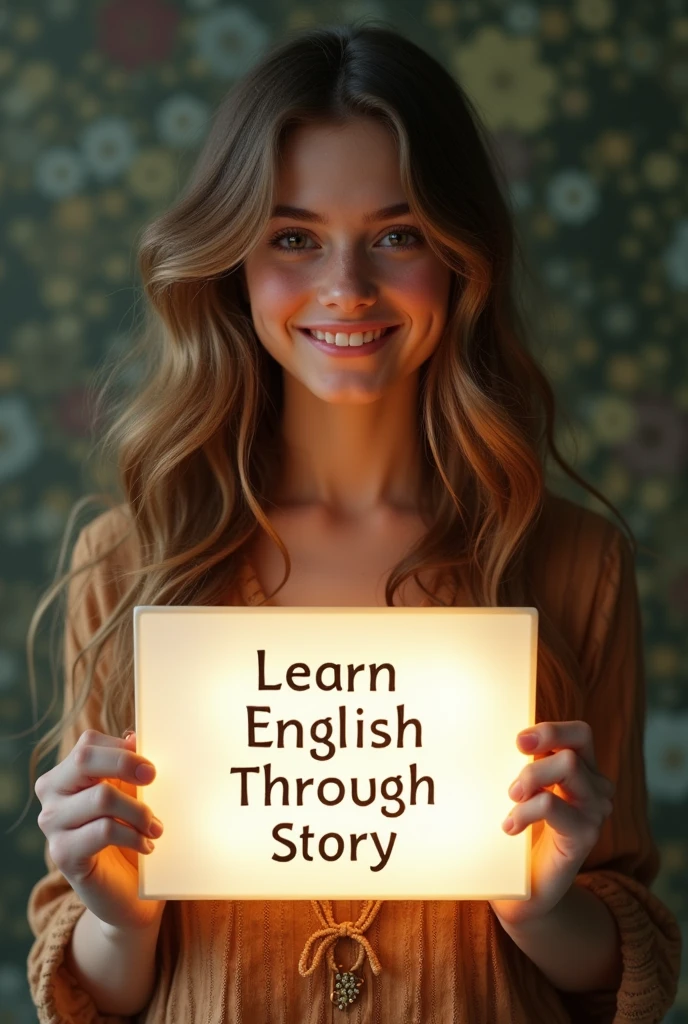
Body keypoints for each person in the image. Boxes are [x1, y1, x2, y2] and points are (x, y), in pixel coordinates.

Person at [18, 19, 681, 1024]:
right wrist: (120, 917)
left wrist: (541, 903)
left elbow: (619, 965)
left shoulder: (573, 562)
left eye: (398, 233)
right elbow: (99, 995)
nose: (346, 287)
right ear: (233, 261)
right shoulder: (129, 562)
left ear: (461, 257)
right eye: (293, 237)